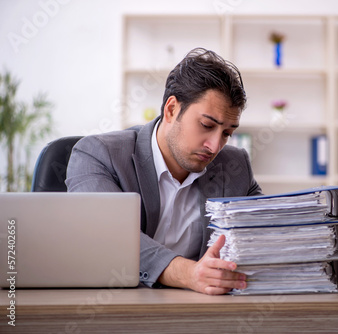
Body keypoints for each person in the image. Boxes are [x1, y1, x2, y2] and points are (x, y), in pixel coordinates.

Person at [66, 48, 262, 295]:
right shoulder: (97, 154)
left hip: (200, 312)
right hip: (111, 305)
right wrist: (189, 273)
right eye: (206, 125)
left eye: (227, 133)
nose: (215, 146)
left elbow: (259, 239)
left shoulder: (236, 166)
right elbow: (107, 236)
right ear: (171, 110)